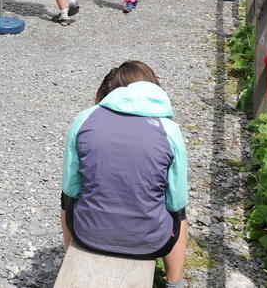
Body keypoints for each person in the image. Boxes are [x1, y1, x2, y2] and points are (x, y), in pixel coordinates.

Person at [60, 61, 188, 287]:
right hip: (151, 240)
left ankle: (71, 254)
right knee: (179, 213)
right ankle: (174, 283)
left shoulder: (84, 118)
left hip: (88, 235)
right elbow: (176, 200)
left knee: (67, 199)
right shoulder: (169, 130)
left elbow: (71, 188)